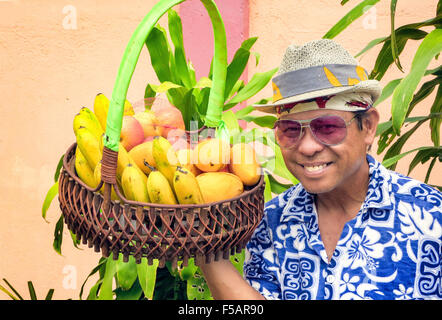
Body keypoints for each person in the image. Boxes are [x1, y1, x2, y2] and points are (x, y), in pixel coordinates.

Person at [197, 39, 442, 300]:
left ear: (368, 127)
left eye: (328, 127)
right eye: (290, 130)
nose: (308, 147)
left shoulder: (430, 218)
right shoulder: (270, 222)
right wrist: (203, 245)